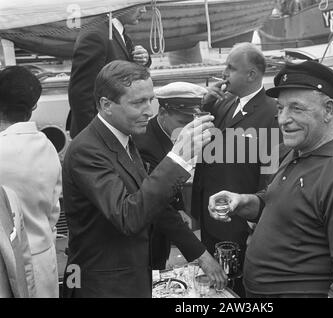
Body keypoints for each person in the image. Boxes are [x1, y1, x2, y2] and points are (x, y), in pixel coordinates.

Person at [208, 61, 333, 298]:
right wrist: (241, 201)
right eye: (280, 108)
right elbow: (278, 204)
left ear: (328, 110)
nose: (283, 119)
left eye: (296, 109)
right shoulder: (295, 152)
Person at [61, 60, 222, 298]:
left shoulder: (123, 137)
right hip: (103, 287)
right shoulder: (86, 150)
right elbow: (128, 216)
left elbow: (149, 202)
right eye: (138, 102)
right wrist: (177, 158)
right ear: (106, 105)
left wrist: (198, 253)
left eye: (150, 100)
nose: (149, 111)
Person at [191, 42, 281, 296]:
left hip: (239, 222)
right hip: (211, 215)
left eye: (231, 68)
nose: (224, 74)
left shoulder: (271, 113)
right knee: (215, 288)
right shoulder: (223, 103)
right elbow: (207, 151)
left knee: (238, 289)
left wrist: (257, 228)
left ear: (251, 75)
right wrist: (205, 104)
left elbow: (270, 177)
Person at [134, 82, 226, 285]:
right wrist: (201, 255)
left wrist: (179, 207)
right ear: (163, 112)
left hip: (161, 233)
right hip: (143, 237)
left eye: (191, 120)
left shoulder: (171, 134)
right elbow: (158, 207)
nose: (187, 127)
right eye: (182, 120)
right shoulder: (144, 145)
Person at [0, 66, 62, 297]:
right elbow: (54, 211)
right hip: (43, 259)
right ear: (34, 106)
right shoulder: (46, 146)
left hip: (6, 267)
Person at [68, 5, 151, 138]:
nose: (144, 10)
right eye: (138, 4)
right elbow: (81, 94)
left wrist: (143, 60)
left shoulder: (113, 31)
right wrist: (92, 137)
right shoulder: (95, 35)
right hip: (99, 133)